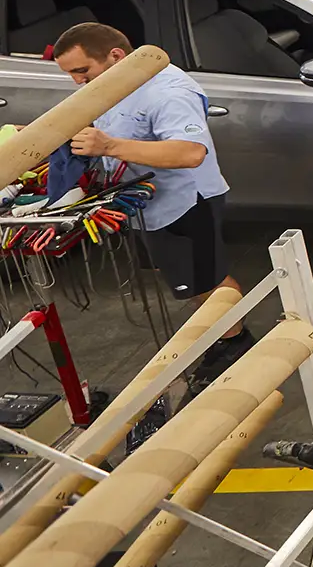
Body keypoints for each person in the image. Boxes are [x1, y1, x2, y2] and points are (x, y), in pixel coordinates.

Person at [53, 23, 253, 379]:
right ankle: (221, 334)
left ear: (116, 56)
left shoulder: (168, 92)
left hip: (186, 203)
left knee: (207, 280)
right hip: (152, 206)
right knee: (186, 276)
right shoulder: (113, 84)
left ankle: (236, 344)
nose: (77, 81)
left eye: (82, 71)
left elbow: (191, 152)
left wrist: (109, 147)